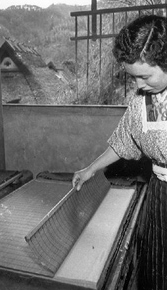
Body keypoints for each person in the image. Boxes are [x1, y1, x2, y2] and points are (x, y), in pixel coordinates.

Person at [72, 14, 167, 290]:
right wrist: (90, 168)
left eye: (144, 76)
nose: (138, 86)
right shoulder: (145, 100)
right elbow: (125, 140)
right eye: (133, 77)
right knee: (157, 268)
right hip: (160, 194)